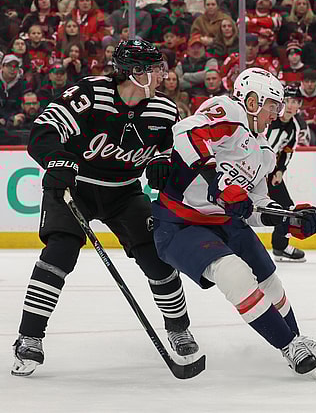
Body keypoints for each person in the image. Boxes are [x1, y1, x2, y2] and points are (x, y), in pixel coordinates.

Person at [11, 39, 199, 377]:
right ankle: (29, 336)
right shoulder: (91, 94)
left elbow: (167, 151)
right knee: (60, 253)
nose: (163, 75)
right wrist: (57, 160)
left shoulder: (165, 111)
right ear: (136, 72)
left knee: (156, 258)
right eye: (156, 69)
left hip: (124, 193)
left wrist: (161, 163)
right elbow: (43, 130)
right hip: (75, 186)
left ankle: (178, 328)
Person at [151, 68, 316, 377]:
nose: (277, 113)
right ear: (252, 101)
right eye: (273, 105)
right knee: (232, 272)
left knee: (268, 276)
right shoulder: (227, 112)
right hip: (179, 222)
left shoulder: (263, 151)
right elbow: (184, 134)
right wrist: (218, 185)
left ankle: (295, 337)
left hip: (224, 223)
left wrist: (288, 219)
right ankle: (288, 345)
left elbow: (255, 206)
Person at [265, 85, 310, 262]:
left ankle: (280, 245)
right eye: (288, 101)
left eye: (295, 102)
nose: (291, 105)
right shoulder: (268, 119)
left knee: (287, 209)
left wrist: (280, 170)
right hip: (250, 170)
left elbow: (287, 150)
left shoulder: (294, 127)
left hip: (269, 172)